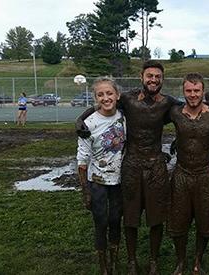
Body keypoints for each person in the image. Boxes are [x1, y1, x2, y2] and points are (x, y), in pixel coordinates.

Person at [76, 60, 180, 275]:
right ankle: (132, 262)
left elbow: (189, 110)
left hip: (155, 167)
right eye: (149, 76)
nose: (153, 80)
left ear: (162, 79)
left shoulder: (168, 103)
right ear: (142, 77)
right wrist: (81, 118)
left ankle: (153, 262)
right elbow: (103, 103)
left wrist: (178, 139)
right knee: (130, 218)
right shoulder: (128, 99)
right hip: (131, 165)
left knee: (156, 219)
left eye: (157, 77)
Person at [167, 73, 209, 275]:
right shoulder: (175, 112)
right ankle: (181, 261)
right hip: (182, 172)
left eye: (196, 90)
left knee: (204, 220)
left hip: (204, 173)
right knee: (178, 220)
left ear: (202, 91)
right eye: (189, 90)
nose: (192, 94)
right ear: (183, 91)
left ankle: (198, 260)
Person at [76, 77, 126, 274]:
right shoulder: (88, 124)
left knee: (115, 220)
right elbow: (82, 161)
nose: (106, 98)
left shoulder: (123, 117)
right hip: (97, 182)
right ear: (95, 97)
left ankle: (114, 261)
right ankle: (103, 265)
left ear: (117, 95)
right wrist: (85, 192)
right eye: (100, 95)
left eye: (109, 93)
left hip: (118, 181)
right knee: (101, 222)